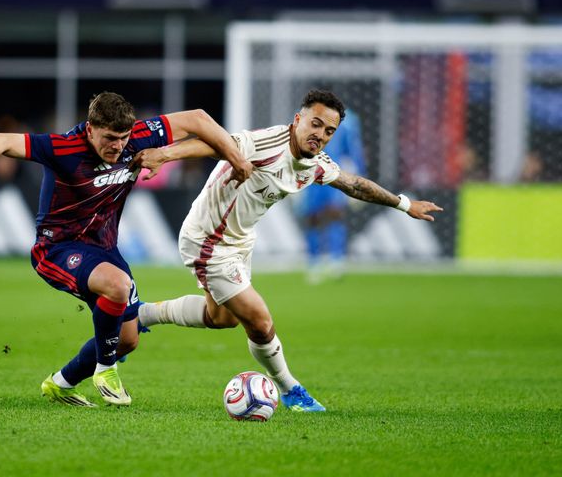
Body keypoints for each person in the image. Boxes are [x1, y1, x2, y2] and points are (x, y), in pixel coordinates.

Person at [0, 91, 253, 407]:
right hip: (57, 249)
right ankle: (106, 371)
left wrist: (230, 158)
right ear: (90, 129)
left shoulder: (139, 137)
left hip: (104, 250)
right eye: (110, 138)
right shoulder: (64, 148)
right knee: (117, 286)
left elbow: (197, 119)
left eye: (123, 138)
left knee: (127, 339)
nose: (118, 146)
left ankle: (60, 383)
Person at [133, 89, 443, 412]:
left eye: (328, 131)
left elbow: (353, 184)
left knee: (221, 318)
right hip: (208, 238)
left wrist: (404, 204)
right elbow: (216, 145)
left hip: (239, 239)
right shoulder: (268, 144)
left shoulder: (314, 164)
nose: (320, 135)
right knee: (260, 321)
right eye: (315, 124)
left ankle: (143, 314)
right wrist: (164, 155)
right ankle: (291, 389)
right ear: (298, 120)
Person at [298, 108, 366, 282]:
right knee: (312, 217)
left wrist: (358, 177)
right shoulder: (304, 116)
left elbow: (354, 151)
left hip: (334, 173)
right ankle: (314, 262)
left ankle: (337, 260)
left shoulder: (347, 120)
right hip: (310, 173)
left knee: (335, 214)